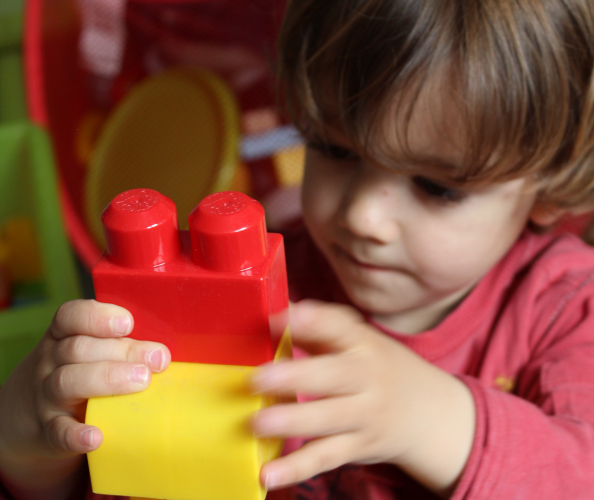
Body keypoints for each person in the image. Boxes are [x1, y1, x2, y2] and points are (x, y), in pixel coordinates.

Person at [1, 0, 594, 498]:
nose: (364, 216)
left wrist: (430, 417)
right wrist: (28, 440)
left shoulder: (567, 307)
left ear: (547, 185)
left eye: (437, 187)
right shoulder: (261, 294)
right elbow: (114, 479)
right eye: (335, 149)